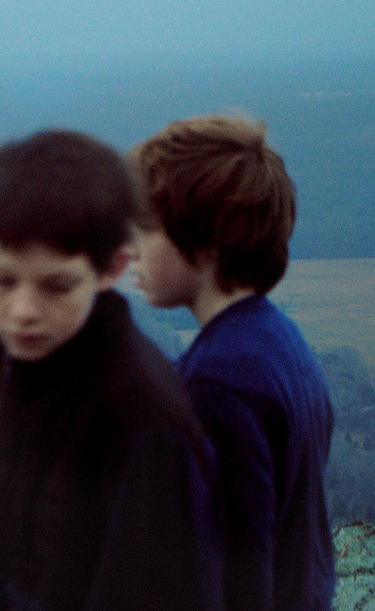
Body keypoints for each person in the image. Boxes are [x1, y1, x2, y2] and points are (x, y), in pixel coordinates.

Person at [0, 129, 223, 611]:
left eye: (56, 285)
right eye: (2, 280)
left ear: (112, 268)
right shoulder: (1, 359)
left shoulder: (142, 412)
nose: (23, 311)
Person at [126, 114, 335, 611]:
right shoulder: (279, 340)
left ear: (206, 239)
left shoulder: (218, 383)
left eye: (146, 230)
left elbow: (237, 574)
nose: (130, 249)